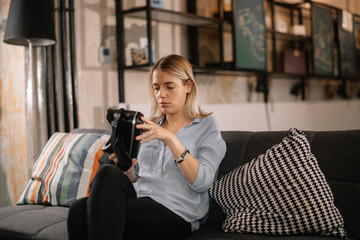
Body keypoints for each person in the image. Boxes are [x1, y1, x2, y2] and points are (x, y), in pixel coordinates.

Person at [67, 54, 226, 240]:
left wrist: (170, 139)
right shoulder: (148, 126)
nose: (161, 95)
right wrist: (130, 172)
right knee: (88, 196)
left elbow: (202, 182)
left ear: (188, 86)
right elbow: (140, 177)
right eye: (156, 88)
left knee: (86, 214)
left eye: (170, 87)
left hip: (176, 211)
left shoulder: (206, 126)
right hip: (141, 199)